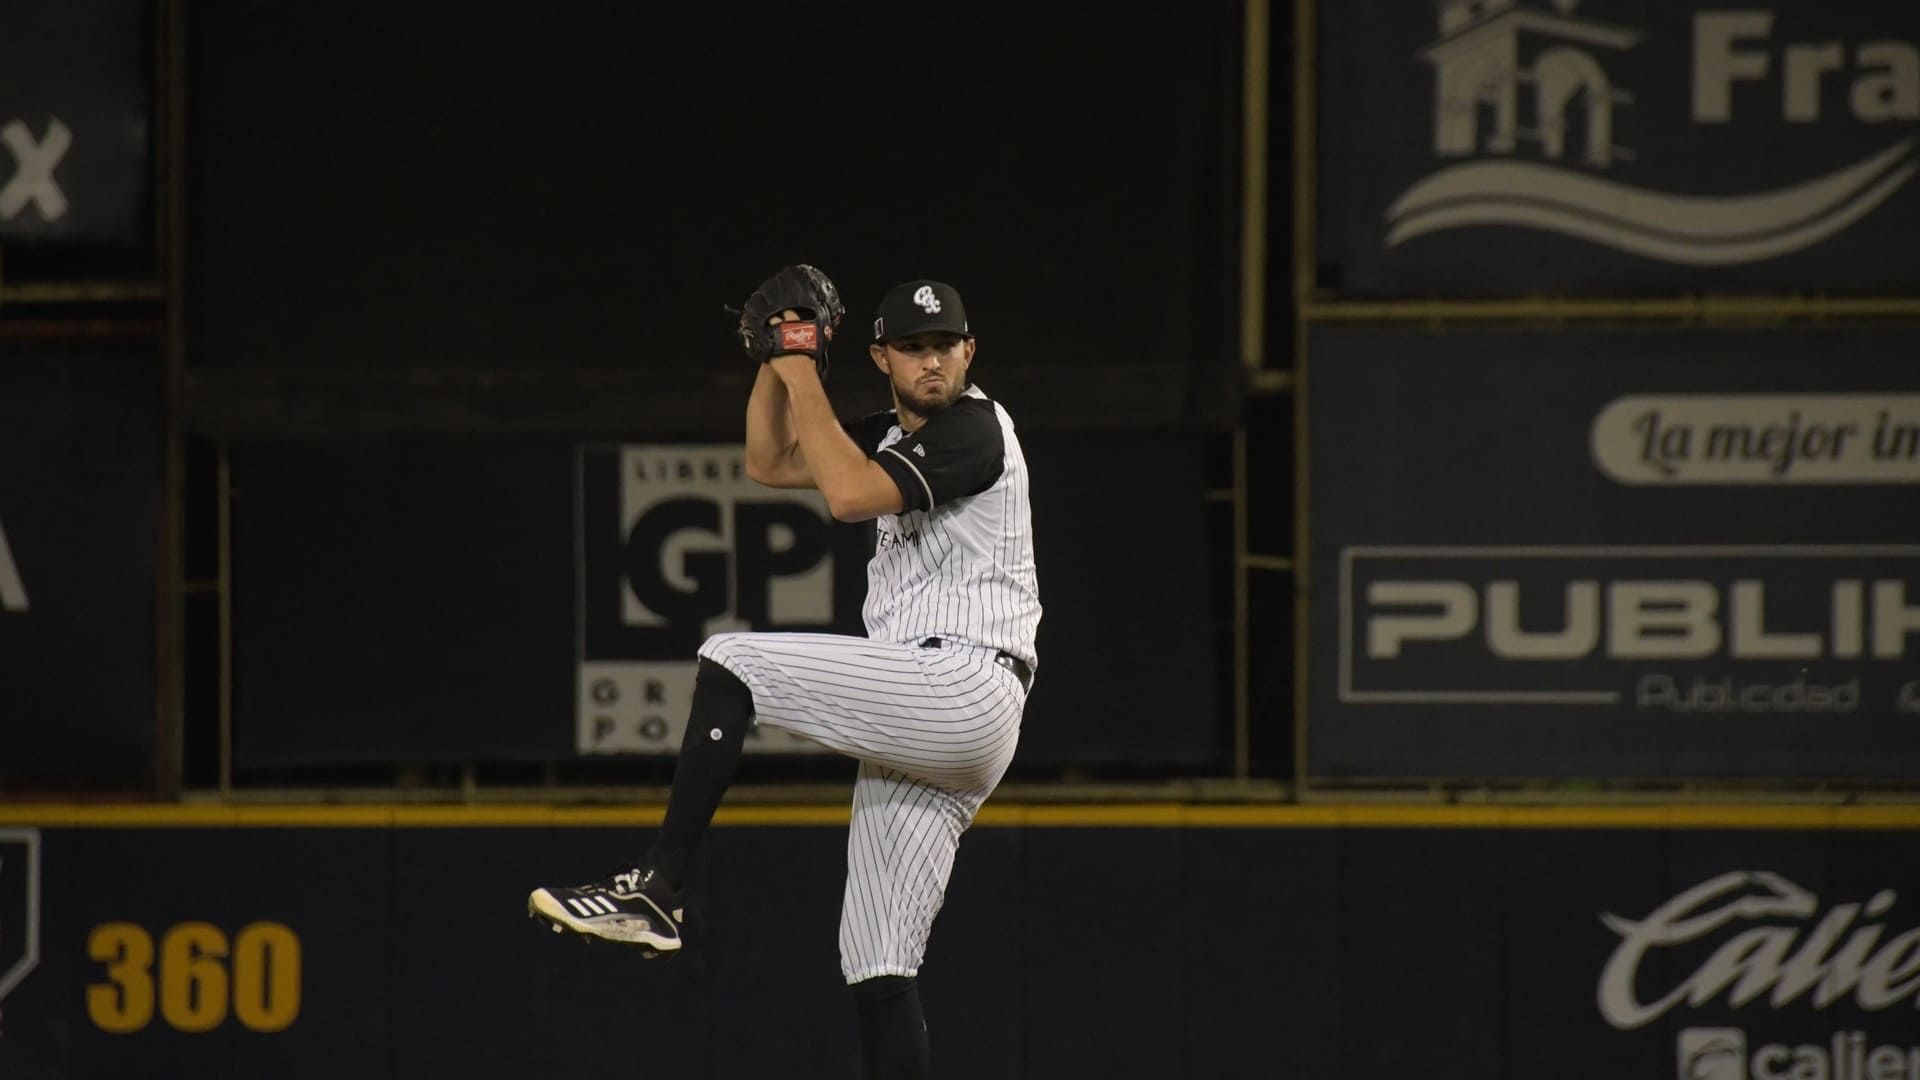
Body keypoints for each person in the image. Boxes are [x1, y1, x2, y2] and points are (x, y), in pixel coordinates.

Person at [529, 276, 1041, 1079]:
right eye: (913, 347)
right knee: (878, 964)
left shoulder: (976, 429)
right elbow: (769, 462)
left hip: (963, 685)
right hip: (925, 714)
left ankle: (659, 889)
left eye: (946, 344)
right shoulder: (892, 434)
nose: (933, 359)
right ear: (883, 358)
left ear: (970, 351)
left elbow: (845, 497)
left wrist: (801, 362)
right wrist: (775, 359)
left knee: (733, 660)